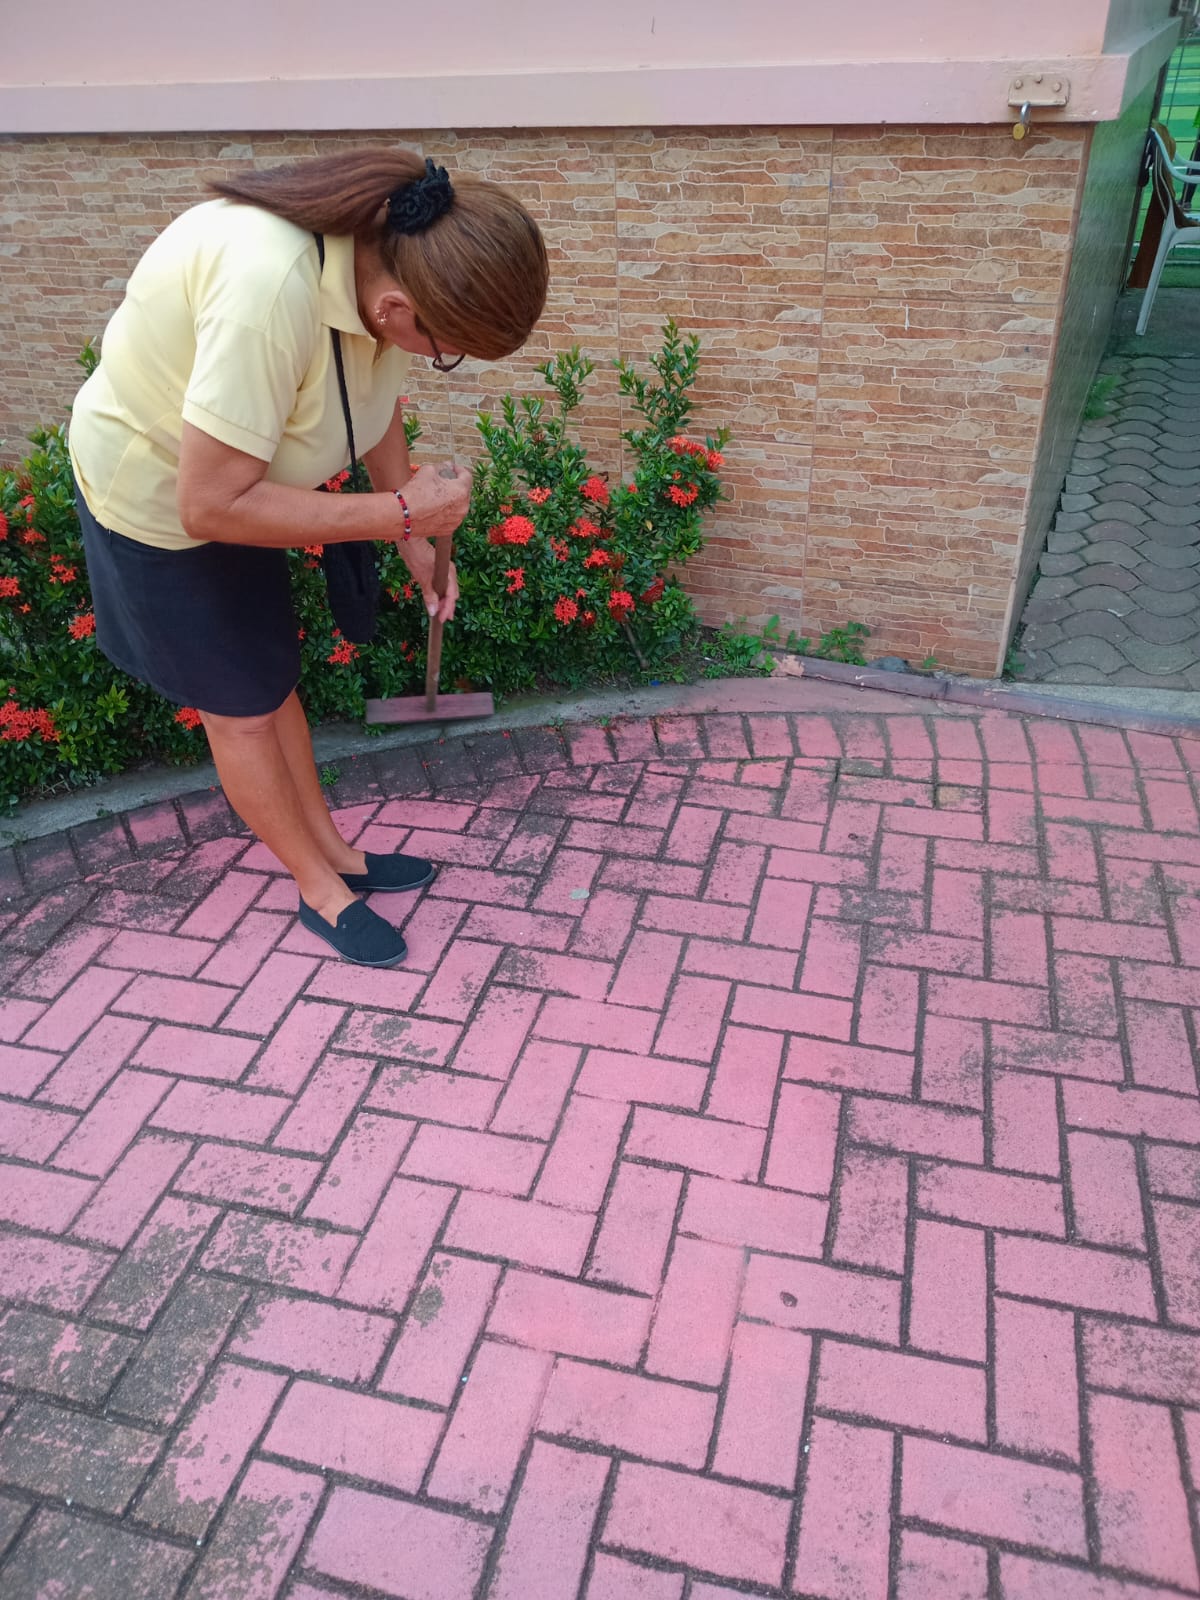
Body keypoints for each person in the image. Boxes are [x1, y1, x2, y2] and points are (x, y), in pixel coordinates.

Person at [68, 149, 549, 967]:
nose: (437, 360)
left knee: (269, 679)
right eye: (447, 350)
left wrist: (411, 542)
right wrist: (402, 512)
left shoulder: (381, 259)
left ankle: (336, 852)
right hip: (159, 503)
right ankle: (316, 887)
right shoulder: (266, 293)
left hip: (248, 490)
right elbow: (208, 504)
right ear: (397, 306)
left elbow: (375, 399)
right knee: (239, 708)